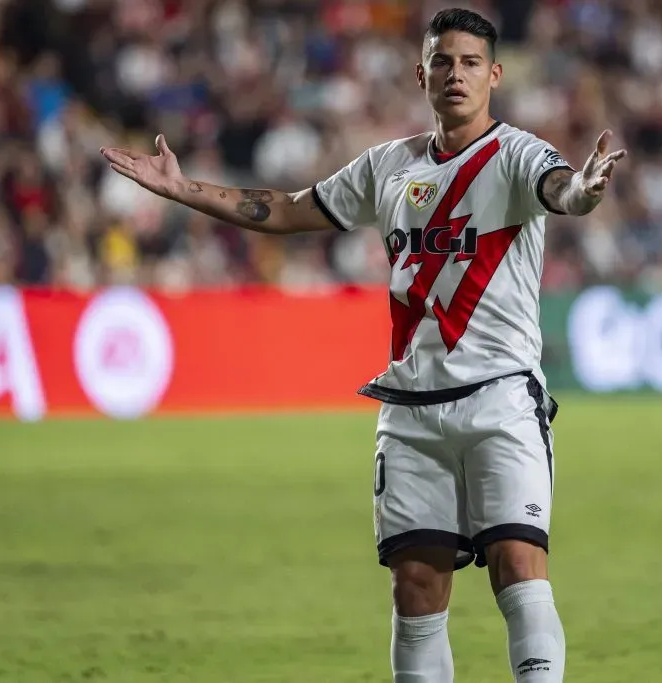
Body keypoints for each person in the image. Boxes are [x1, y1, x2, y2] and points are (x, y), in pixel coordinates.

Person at [101, 8, 626, 681]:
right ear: (420, 73)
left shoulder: (518, 155)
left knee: (517, 565)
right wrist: (182, 189)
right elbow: (289, 209)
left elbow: (563, 189)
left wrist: (585, 190)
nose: (455, 74)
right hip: (409, 409)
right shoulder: (389, 166)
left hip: (500, 400)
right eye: (442, 61)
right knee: (415, 586)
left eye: (469, 62)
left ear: (495, 74)